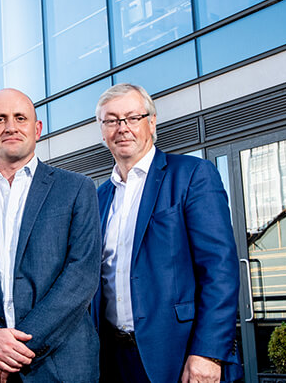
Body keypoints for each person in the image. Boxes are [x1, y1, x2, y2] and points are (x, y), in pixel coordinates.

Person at [0, 88, 101, 383]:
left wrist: (13, 350)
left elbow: (81, 276)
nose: (10, 126)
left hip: (60, 367)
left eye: (20, 118)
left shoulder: (76, 190)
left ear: (37, 129)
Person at [91, 84, 241, 383]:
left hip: (179, 354)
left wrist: (208, 353)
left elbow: (219, 268)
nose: (122, 128)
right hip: (111, 358)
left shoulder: (191, 174)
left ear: (152, 121)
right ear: (102, 129)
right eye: (112, 120)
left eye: (132, 117)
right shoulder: (98, 197)